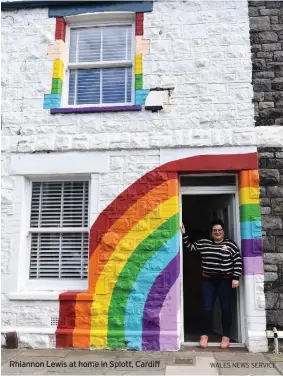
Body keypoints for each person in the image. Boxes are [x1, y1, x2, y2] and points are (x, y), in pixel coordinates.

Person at [181, 219, 242, 349]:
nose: (217, 232)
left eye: (219, 230)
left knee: (225, 308)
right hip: (208, 280)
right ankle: (204, 335)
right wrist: (184, 234)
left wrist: (236, 277)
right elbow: (190, 247)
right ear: (211, 232)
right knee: (207, 308)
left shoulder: (230, 245)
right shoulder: (204, 243)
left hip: (225, 280)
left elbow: (237, 261)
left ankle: (226, 336)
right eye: (215, 230)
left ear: (223, 231)